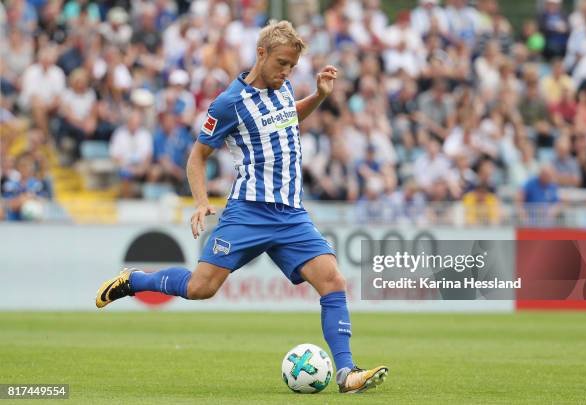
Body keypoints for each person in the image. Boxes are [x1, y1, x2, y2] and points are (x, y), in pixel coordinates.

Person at [95, 20, 388, 394]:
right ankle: (135, 280)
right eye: (282, 63)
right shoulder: (229, 102)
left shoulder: (282, 90)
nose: (286, 72)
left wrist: (317, 96)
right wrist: (201, 203)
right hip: (248, 211)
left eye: (292, 67)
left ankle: (347, 373)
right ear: (260, 54)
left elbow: (286, 119)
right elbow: (197, 156)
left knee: (333, 281)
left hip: (291, 214)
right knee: (201, 288)